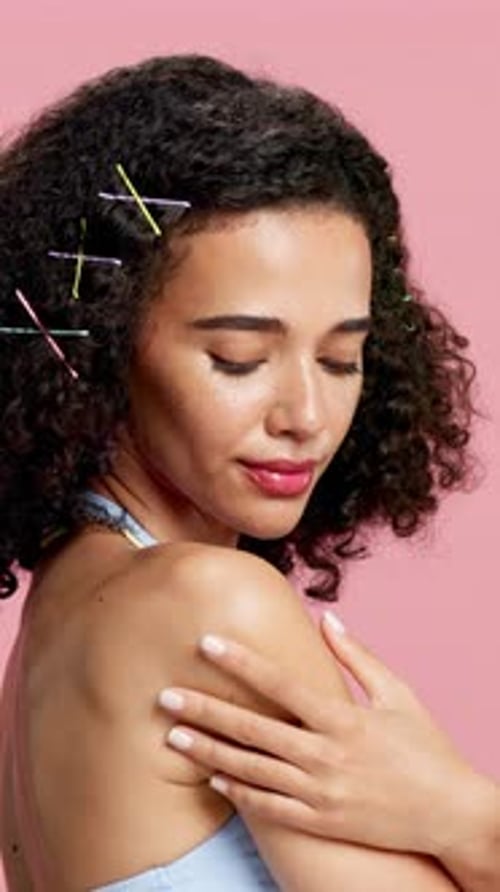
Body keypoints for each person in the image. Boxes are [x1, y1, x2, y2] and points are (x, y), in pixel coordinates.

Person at [0, 51, 482, 891]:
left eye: (341, 359)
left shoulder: (67, 607)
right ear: (106, 347)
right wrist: (468, 816)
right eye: (238, 357)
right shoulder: (212, 605)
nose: (305, 414)